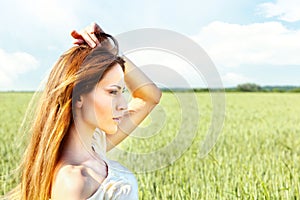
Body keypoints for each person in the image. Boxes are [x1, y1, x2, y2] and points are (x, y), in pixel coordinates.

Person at [8, 22, 161, 200]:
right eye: (113, 92)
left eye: (122, 92)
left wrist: (109, 50)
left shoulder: (96, 145)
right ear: (79, 96)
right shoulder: (74, 182)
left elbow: (149, 97)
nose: (123, 105)